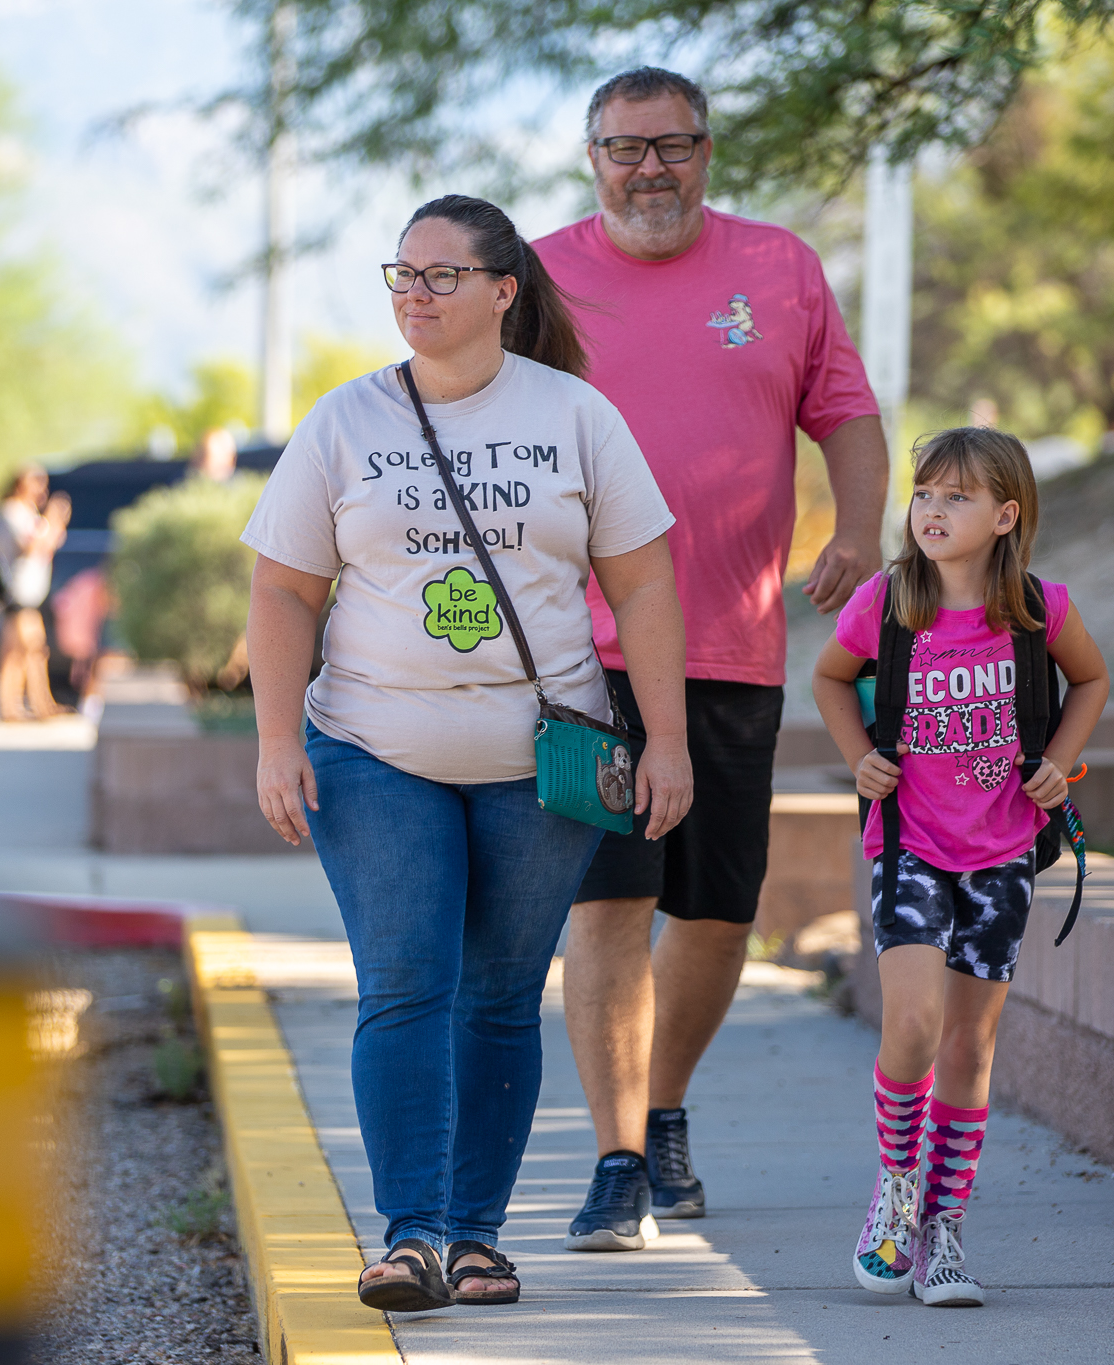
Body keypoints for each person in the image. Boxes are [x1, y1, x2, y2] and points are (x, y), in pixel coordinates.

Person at [242, 193, 692, 1311]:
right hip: (367, 748)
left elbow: (641, 585)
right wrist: (272, 741)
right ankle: (410, 1237)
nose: (414, 293)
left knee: (498, 995)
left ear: (503, 291)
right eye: (400, 273)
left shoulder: (575, 415)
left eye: (441, 275)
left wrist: (668, 742)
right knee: (404, 985)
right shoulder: (344, 423)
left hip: (538, 763)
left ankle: (477, 1237)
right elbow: (283, 591)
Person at [533, 66, 890, 1251]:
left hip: (730, 642)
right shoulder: (534, 278)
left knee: (717, 910)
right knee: (608, 900)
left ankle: (664, 1103)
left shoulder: (778, 267)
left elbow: (843, 411)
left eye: (671, 146)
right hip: (583, 657)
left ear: (705, 151)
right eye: (624, 149)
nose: (649, 169)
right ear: (592, 158)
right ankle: (616, 1156)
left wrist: (852, 530)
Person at [812, 427, 1108, 1305]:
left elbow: (1090, 681)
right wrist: (858, 754)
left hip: (1004, 852)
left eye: (957, 496)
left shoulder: (1041, 607)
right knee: (910, 1027)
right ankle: (897, 1191)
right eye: (925, 493)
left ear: (1005, 514)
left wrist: (1061, 759)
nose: (932, 511)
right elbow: (831, 678)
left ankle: (946, 1228)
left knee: (970, 1046)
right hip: (909, 843)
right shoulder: (887, 599)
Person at [0, 466, 69, 721]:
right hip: (17, 592)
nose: (42, 490)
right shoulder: (12, 512)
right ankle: (30, 705)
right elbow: (30, 546)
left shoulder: (29, 513)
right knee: (30, 648)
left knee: (20, 652)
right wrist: (53, 520)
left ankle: (24, 705)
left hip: (30, 593)